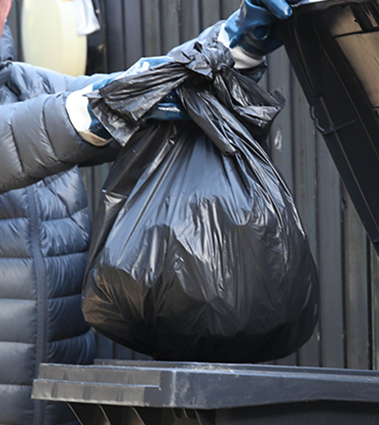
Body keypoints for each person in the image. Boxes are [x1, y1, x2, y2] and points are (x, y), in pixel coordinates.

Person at [0, 1, 295, 424]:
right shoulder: (34, 106)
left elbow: (138, 82)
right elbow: (19, 136)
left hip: (61, 400)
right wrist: (97, 111)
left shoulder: (22, 86)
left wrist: (234, 46)